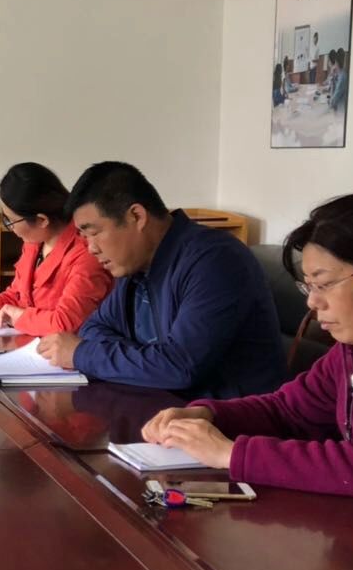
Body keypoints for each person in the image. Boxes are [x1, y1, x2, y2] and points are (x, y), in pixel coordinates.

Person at [142, 194, 353, 508]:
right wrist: (211, 414)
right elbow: (288, 411)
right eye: (308, 286)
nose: (312, 302)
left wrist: (230, 453)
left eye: (324, 284)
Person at [37, 162, 283, 398]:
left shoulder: (215, 260)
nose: (91, 248)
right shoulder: (135, 264)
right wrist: (148, 360)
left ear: (137, 216)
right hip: (160, 405)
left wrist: (82, 354)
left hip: (224, 417)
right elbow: (93, 328)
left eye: (94, 233)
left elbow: (180, 366)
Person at [0, 162, 112, 336]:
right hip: (30, 343)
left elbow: (65, 323)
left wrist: (20, 316)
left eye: (10, 221)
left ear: (41, 220)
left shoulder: (88, 254)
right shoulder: (35, 241)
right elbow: (15, 297)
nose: (8, 226)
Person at [330, 50, 349, 114]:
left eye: (335, 63)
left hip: (339, 111)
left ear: (336, 63)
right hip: (338, 107)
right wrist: (333, 77)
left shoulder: (342, 77)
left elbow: (333, 102)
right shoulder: (341, 74)